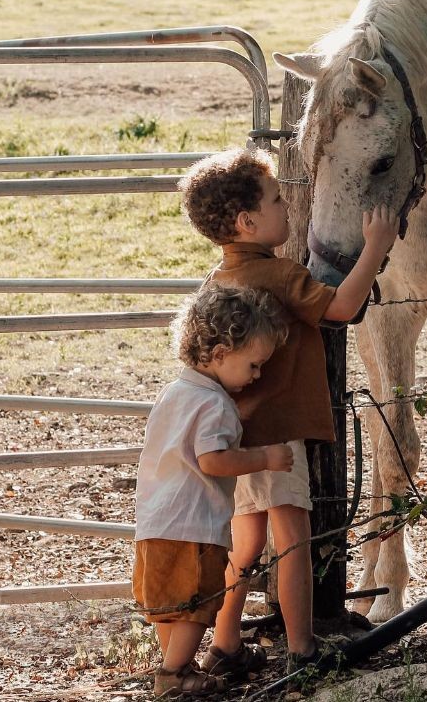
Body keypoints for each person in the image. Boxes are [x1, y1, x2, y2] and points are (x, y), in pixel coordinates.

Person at [178, 147, 397, 677]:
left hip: (236, 433)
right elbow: (342, 308)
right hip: (275, 437)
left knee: (247, 541)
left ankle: (225, 643)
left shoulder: (217, 280)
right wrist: (376, 246)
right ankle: (303, 651)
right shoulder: (275, 275)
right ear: (248, 221)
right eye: (277, 200)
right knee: (293, 539)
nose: (288, 209)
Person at [133, 283, 293, 698]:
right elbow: (213, 460)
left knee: (172, 605)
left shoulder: (174, 393)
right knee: (197, 605)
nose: (257, 375)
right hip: (194, 523)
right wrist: (265, 458)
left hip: (154, 520)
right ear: (221, 354)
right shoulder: (216, 404)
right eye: (254, 365)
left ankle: (178, 668)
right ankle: (171, 677)